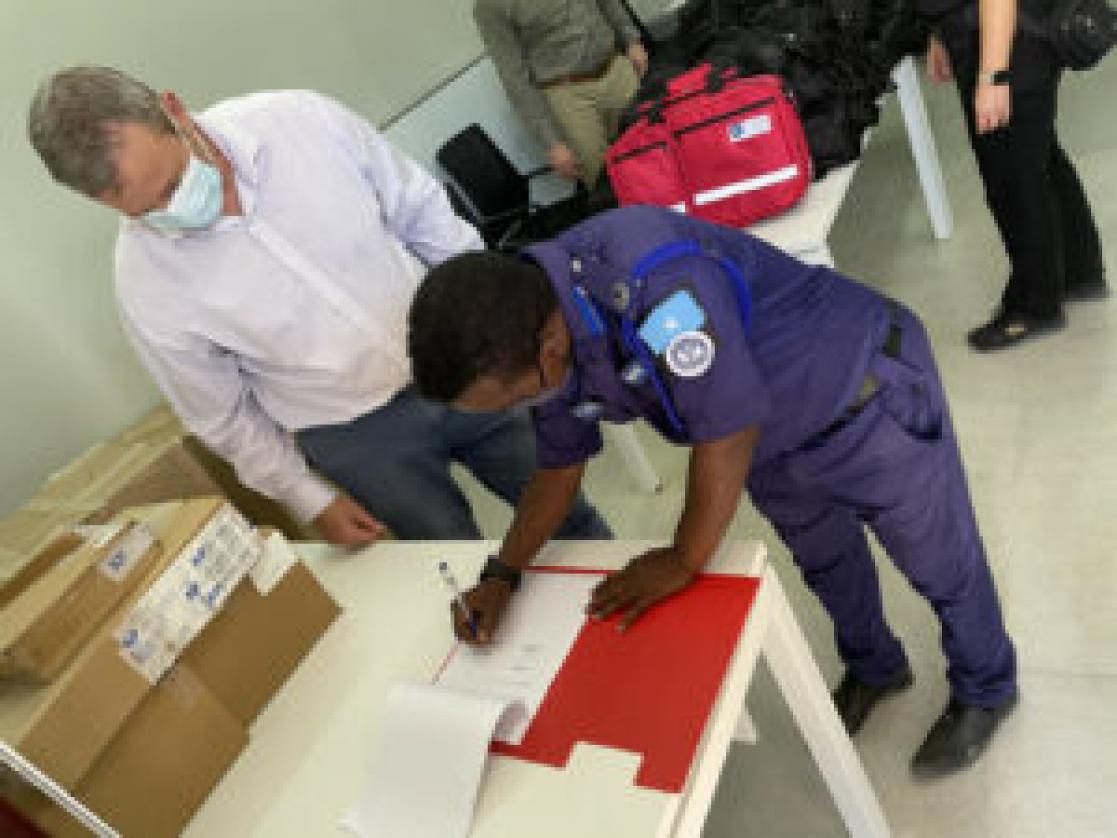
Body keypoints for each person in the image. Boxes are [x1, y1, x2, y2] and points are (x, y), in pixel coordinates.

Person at [408, 205, 1019, 777]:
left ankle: (987, 686)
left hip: (861, 398)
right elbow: (559, 468)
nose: (524, 407)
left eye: (517, 398)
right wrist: (504, 573)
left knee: (938, 560)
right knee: (828, 564)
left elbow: (725, 432)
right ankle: (875, 667)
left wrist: (682, 559)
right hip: (772, 445)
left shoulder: (653, 280)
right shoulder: (540, 331)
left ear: (547, 351)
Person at [27, 66, 609, 545]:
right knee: (448, 561)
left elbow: (421, 213)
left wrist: (499, 320)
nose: (175, 209)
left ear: (174, 111)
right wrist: (308, 497)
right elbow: (221, 414)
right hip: (355, 434)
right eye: (146, 210)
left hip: (463, 358)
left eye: (174, 181)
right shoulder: (144, 283)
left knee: (562, 509)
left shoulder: (299, 122)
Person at [923, 0, 1106, 350]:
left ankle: (1036, 306)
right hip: (1001, 34)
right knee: (1036, 157)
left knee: (1011, 177)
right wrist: (940, 33)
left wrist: (993, 75)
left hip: (1005, 40)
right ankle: (1078, 270)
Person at [474, 0, 648, 187]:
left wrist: (632, 41)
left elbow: (608, 3)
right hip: (568, 96)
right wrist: (552, 143)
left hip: (616, 70)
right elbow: (515, 78)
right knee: (605, 180)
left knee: (653, 148)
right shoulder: (490, 7)